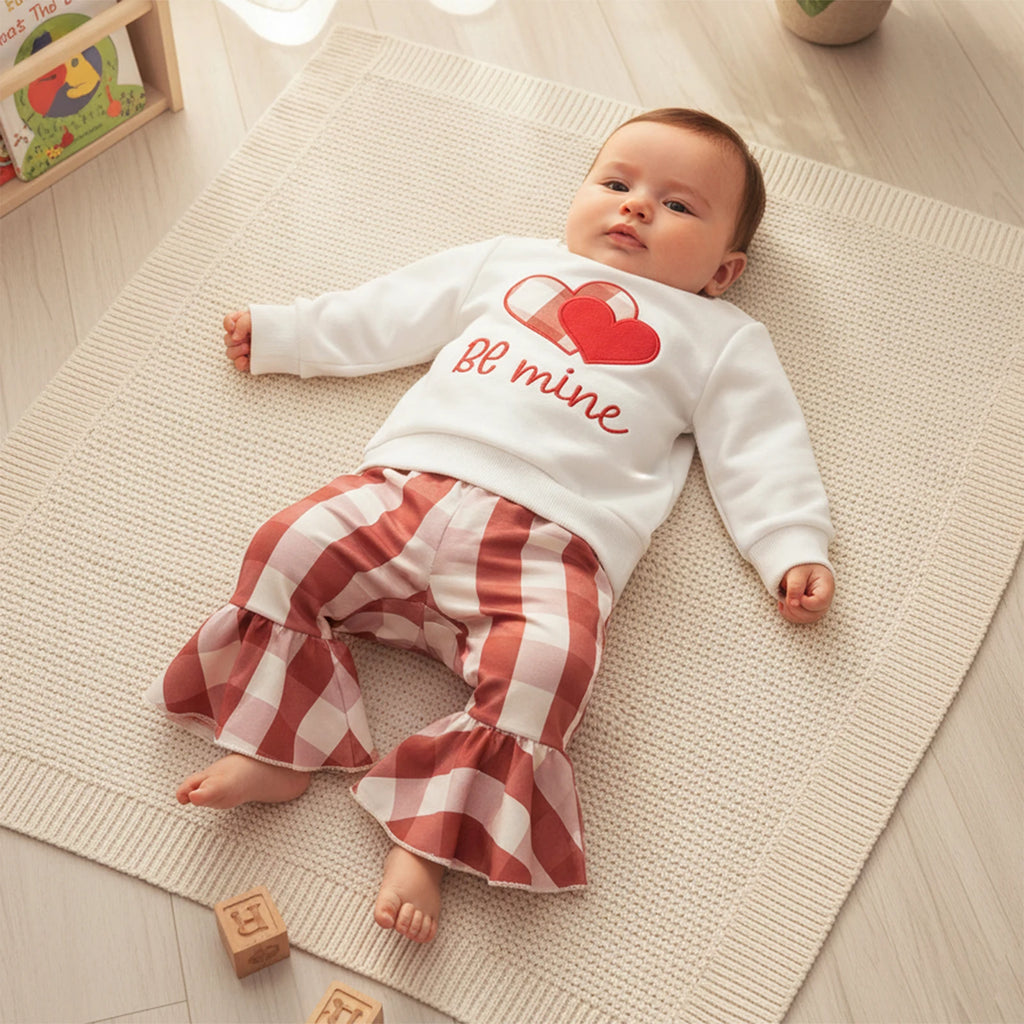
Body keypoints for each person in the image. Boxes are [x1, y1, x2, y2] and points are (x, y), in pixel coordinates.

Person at [147, 108, 835, 945]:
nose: (637, 207)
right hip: (407, 489)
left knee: (552, 669)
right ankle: (280, 746)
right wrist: (292, 333)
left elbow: (761, 446)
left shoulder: (719, 337)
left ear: (724, 271)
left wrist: (791, 544)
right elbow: (395, 310)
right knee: (285, 547)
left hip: (552, 544)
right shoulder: (514, 264)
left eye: (678, 206)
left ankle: (425, 838)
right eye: (616, 183)